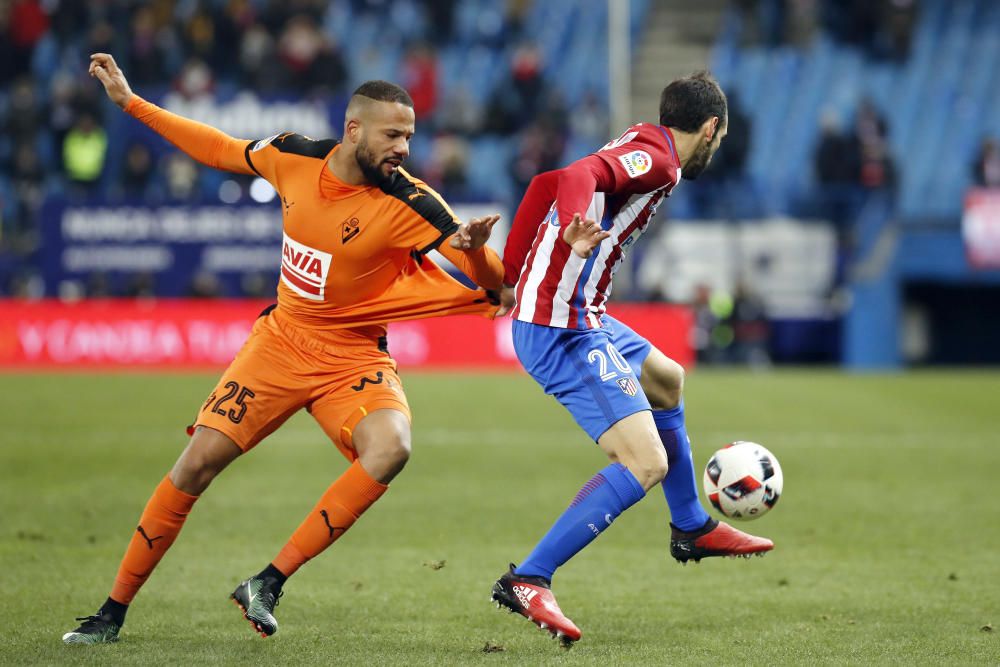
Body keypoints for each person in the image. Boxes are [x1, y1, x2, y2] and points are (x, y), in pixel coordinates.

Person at [63, 53, 504, 645]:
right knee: (195, 466)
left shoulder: (412, 202)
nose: (403, 147)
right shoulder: (293, 155)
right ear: (355, 129)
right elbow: (218, 147)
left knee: (391, 447)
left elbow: (492, 281)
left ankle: (268, 582)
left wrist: (473, 249)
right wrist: (130, 103)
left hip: (353, 355)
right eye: (393, 134)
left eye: (410, 136)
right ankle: (109, 614)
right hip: (280, 344)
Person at [490, 72, 773, 644]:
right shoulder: (663, 164)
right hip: (561, 325)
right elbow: (572, 177)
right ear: (712, 128)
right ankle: (528, 578)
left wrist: (508, 276)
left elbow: (542, 180)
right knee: (646, 463)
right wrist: (575, 226)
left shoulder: (643, 138)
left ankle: (690, 526)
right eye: (718, 140)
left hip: (579, 310)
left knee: (667, 380)